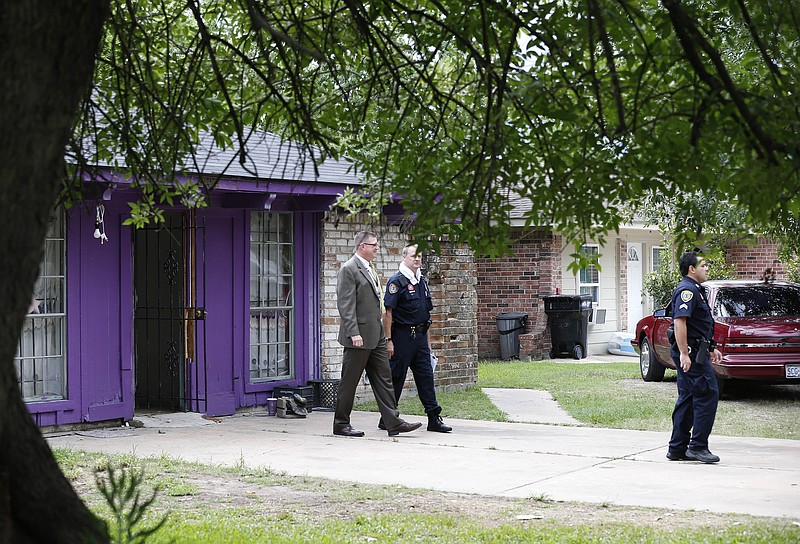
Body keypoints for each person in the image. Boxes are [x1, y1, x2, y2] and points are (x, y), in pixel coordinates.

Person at [333, 230, 423, 437]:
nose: (377, 248)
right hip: (358, 337)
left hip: (376, 335)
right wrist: (353, 332)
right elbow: (346, 305)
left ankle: (393, 422)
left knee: (385, 379)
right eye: (373, 245)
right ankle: (341, 423)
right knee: (350, 382)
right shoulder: (349, 269)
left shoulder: (371, 268)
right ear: (362, 246)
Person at [380, 244, 452, 433]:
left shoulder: (421, 281)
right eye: (413, 256)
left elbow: (425, 315)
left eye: (419, 256)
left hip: (420, 336)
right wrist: (388, 340)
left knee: (426, 377)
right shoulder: (397, 281)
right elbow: (388, 313)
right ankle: (387, 417)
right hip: (402, 336)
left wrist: (427, 345)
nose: (417, 259)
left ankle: (434, 418)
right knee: (396, 377)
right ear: (404, 257)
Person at [666, 251, 722, 463]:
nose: (707, 268)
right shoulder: (687, 291)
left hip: (696, 351)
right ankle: (698, 446)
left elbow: (700, 324)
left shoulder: (695, 290)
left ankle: (677, 448)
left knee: (688, 398)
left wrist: (712, 346)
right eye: (703, 265)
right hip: (690, 354)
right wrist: (683, 354)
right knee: (707, 393)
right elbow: (680, 322)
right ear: (692, 268)